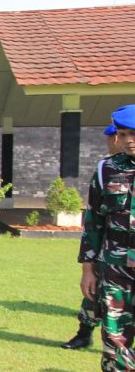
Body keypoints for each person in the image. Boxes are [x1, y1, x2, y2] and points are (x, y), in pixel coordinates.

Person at [79, 106, 135, 372]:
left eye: (133, 135)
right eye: (123, 135)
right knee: (114, 335)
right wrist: (88, 269)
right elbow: (92, 223)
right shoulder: (106, 170)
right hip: (113, 269)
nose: (128, 142)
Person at [63, 125, 122, 349]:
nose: (110, 143)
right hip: (108, 249)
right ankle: (84, 332)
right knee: (94, 294)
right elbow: (93, 220)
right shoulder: (105, 171)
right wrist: (89, 261)